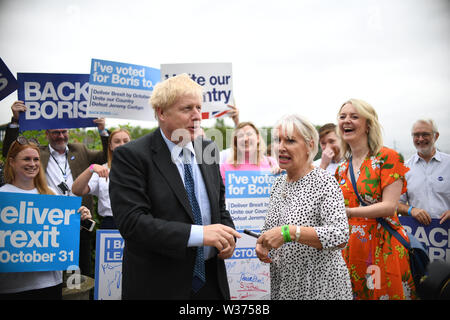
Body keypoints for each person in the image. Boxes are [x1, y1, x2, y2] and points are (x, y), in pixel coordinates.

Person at [108, 74, 240, 300]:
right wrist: (201, 234)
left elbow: (218, 206)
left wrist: (227, 236)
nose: (197, 116)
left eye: (199, 107)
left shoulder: (208, 149)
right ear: (161, 113)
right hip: (159, 285)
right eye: (187, 108)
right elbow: (133, 223)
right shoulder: (131, 156)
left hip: (211, 283)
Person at [2, 100, 109, 275]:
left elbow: (106, 155)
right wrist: (15, 120)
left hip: (79, 220)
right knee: (52, 271)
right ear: (47, 133)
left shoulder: (79, 149)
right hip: (48, 223)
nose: (60, 136)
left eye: (63, 131)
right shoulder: (38, 154)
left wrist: (102, 130)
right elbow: (9, 153)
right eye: (55, 132)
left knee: (82, 273)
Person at [255, 114, 352, 300]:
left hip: (320, 287)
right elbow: (271, 229)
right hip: (285, 286)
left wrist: (290, 232)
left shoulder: (324, 182)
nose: (281, 147)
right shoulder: (278, 184)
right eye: (277, 140)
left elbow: (340, 236)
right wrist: (262, 244)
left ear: (309, 146)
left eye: (290, 141)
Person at [335, 98, 416, 300]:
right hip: (352, 249)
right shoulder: (341, 168)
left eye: (354, 116)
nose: (347, 120)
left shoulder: (388, 158)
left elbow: (389, 207)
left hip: (383, 246)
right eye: (343, 116)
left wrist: (349, 213)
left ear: (368, 125)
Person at [0, 137, 92, 299]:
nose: (33, 164)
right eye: (26, 159)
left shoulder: (50, 194)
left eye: (36, 159)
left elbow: (61, 235)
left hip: (50, 283)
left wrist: (78, 220)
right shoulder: (3, 195)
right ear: (12, 162)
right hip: (11, 286)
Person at [72, 129, 131, 229]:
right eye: (117, 141)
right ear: (110, 146)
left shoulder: (142, 169)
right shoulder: (102, 170)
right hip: (110, 224)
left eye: (125, 141)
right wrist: (91, 168)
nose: (121, 144)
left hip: (136, 223)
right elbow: (77, 190)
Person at [398, 119, 450, 225]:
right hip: (419, 234)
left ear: (436, 136)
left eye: (425, 134)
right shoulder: (403, 168)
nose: (420, 139)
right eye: (416, 135)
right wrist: (411, 210)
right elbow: (395, 204)